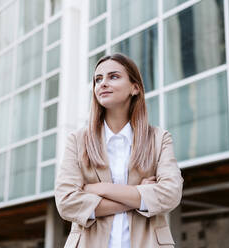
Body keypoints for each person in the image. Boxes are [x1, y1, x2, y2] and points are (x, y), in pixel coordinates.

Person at [54, 53, 183, 248]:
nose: (103, 83)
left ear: (135, 88)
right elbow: (66, 203)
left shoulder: (159, 138)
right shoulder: (77, 141)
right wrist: (139, 195)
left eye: (113, 76)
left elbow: (170, 194)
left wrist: (100, 189)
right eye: (98, 79)